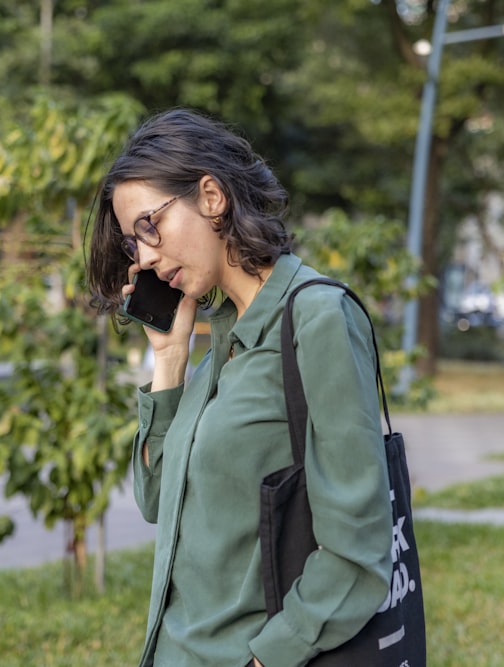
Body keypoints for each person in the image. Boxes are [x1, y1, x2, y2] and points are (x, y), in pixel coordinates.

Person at [86, 109, 394, 667]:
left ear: (211, 196)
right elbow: (156, 501)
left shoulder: (317, 319)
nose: (146, 256)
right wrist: (171, 358)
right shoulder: (220, 338)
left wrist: (265, 660)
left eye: (150, 226)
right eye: (134, 244)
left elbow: (359, 552)